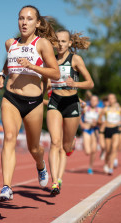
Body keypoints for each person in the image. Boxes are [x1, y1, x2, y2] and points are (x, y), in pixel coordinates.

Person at [0, 5, 60, 201]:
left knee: (34, 148)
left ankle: (40, 165)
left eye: (29, 19)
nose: (24, 22)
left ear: (37, 23)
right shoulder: (10, 43)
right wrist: (1, 75)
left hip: (33, 101)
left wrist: (32, 66)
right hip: (11, 98)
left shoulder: (42, 45)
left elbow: (55, 73)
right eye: (21, 18)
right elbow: (8, 62)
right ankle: (7, 187)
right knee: (9, 138)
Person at [47, 29, 94, 195]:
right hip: (55, 102)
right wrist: (45, 87)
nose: (60, 44)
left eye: (63, 41)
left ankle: (71, 139)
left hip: (72, 103)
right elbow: (45, 82)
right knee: (54, 142)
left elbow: (90, 83)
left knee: (65, 147)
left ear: (69, 43)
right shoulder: (50, 60)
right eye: (57, 41)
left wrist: (75, 84)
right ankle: (55, 182)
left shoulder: (75, 59)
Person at [98, 94, 121, 175]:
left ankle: (111, 167)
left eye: (112, 98)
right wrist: (103, 122)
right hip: (107, 130)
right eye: (109, 99)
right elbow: (99, 120)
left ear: (115, 99)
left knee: (114, 147)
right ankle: (106, 163)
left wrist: (120, 122)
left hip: (116, 129)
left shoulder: (119, 109)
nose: (111, 100)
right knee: (108, 150)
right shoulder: (105, 109)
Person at [80, 95, 101, 174]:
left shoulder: (99, 110)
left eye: (95, 100)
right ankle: (84, 144)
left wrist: (97, 123)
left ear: (97, 102)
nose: (93, 102)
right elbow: (78, 115)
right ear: (90, 101)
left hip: (94, 130)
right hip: (86, 129)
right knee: (88, 152)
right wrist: (81, 124)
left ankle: (90, 167)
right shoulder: (86, 109)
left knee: (94, 150)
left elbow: (102, 121)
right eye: (92, 100)